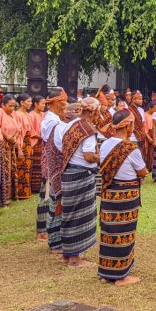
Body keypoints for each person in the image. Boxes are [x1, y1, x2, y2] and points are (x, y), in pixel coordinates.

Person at [98, 110, 147, 285]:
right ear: (127, 126)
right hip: (126, 196)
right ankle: (121, 276)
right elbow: (142, 172)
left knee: (108, 232)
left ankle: (106, 272)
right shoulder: (130, 148)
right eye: (133, 124)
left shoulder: (104, 144)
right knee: (124, 233)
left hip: (109, 194)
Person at [54, 100, 99, 267]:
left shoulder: (69, 125)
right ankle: (74, 258)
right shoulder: (88, 129)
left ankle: (67, 254)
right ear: (92, 112)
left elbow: (60, 147)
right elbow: (88, 155)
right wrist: (99, 158)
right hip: (81, 174)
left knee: (69, 214)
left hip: (68, 172)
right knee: (80, 215)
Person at [38, 88, 67, 245]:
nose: (66, 105)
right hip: (54, 164)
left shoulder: (55, 118)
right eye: (64, 101)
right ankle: (53, 237)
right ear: (56, 102)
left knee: (53, 200)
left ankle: (53, 235)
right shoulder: (52, 121)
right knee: (54, 201)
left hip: (54, 164)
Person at [14, 93, 34, 200]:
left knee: (27, 167)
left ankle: (26, 191)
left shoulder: (27, 114)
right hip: (22, 142)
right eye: (28, 101)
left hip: (28, 142)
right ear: (21, 102)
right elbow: (18, 131)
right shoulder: (17, 114)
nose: (30, 103)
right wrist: (19, 147)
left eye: (31, 101)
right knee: (21, 167)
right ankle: (20, 192)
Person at [29, 96, 46, 206]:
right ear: (35, 104)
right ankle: (34, 187)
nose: (44, 106)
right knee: (35, 165)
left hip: (43, 143)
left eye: (45, 104)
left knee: (41, 164)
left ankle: (40, 185)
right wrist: (40, 136)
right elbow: (31, 130)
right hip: (35, 142)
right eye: (42, 104)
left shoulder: (44, 115)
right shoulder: (31, 115)